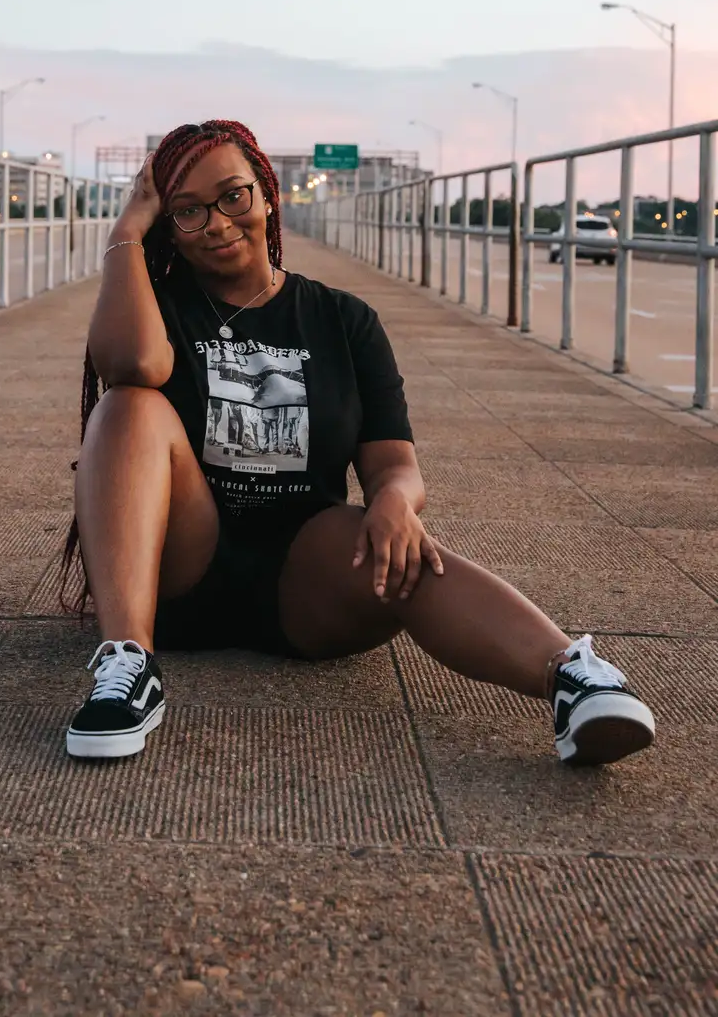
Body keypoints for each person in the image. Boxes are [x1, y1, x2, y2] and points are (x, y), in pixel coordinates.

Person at [59, 119, 656, 768]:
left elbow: (394, 464)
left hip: (307, 576)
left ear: (266, 193)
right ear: (167, 226)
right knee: (127, 409)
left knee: (403, 548)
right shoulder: (163, 306)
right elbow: (130, 364)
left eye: (232, 197)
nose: (219, 222)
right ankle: (128, 666)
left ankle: (572, 679)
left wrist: (396, 502)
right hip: (175, 570)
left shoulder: (343, 320)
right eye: (189, 211)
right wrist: (125, 232)